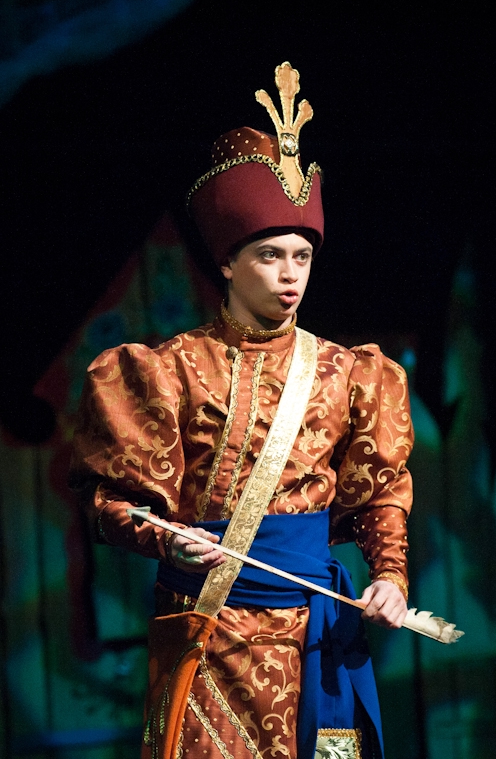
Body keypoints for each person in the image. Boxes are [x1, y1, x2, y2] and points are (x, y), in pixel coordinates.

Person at [70, 62, 413, 759]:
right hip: (205, 629)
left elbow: (380, 495)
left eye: (301, 257)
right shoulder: (168, 370)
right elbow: (111, 507)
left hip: (315, 635)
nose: (290, 276)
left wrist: (389, 577)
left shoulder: (348, 373)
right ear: (228, 262)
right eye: (269, 256)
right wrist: (167, 541)